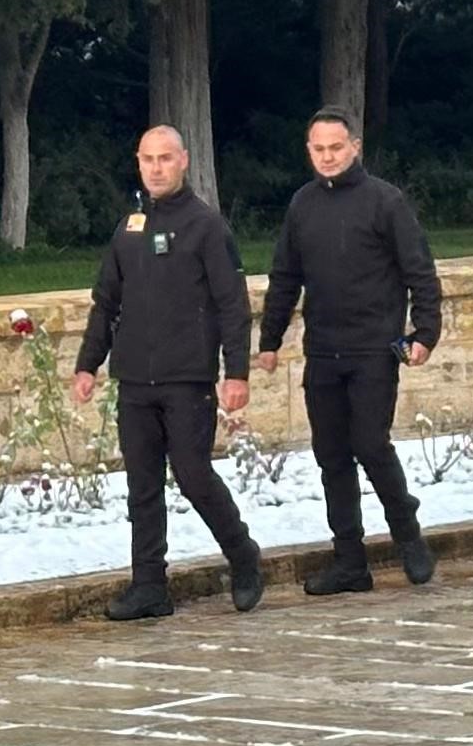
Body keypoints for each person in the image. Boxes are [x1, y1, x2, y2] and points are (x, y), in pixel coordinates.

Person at [75, 125, 265, 620]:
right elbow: (106, 303)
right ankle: (149, 586)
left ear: (184, 161)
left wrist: (236, 372)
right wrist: (87, 364)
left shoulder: (206, 227)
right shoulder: (129, 227)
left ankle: (244, 556)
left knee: (193, 474)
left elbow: (231, 306)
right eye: (147, 159)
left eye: (165, 158)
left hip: (186, 378)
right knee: (142, 485)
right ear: (138, 163)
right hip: (135, 378)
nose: (156, 168)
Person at [256, 109, 444, 593]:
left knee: (370, 444)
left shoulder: (386, 201)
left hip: (373, 349)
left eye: (335, 148)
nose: (327, 157)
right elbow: (285, 277)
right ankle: (349, 560)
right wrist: (270, 340)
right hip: (323, 350)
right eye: (318, 149)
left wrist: (425, 332)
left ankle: (407, 533)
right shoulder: (302, 205)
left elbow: (418, 270)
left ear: (354, 146)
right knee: (331, 455)